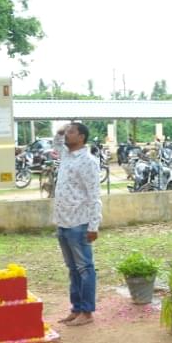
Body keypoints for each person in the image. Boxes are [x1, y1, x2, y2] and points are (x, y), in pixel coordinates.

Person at [53, 122, 103, 327]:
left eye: (71, 131)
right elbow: (56, 142)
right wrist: (60, 130)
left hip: (79, 222)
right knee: (72, 269)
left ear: (81, 137)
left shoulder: (88, 161)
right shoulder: (66, 155)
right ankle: (76, 309)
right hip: (63, 222)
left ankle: (87, 312)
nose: (66, 134)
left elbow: (94, 195)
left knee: (84, 268)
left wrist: (94, 225)